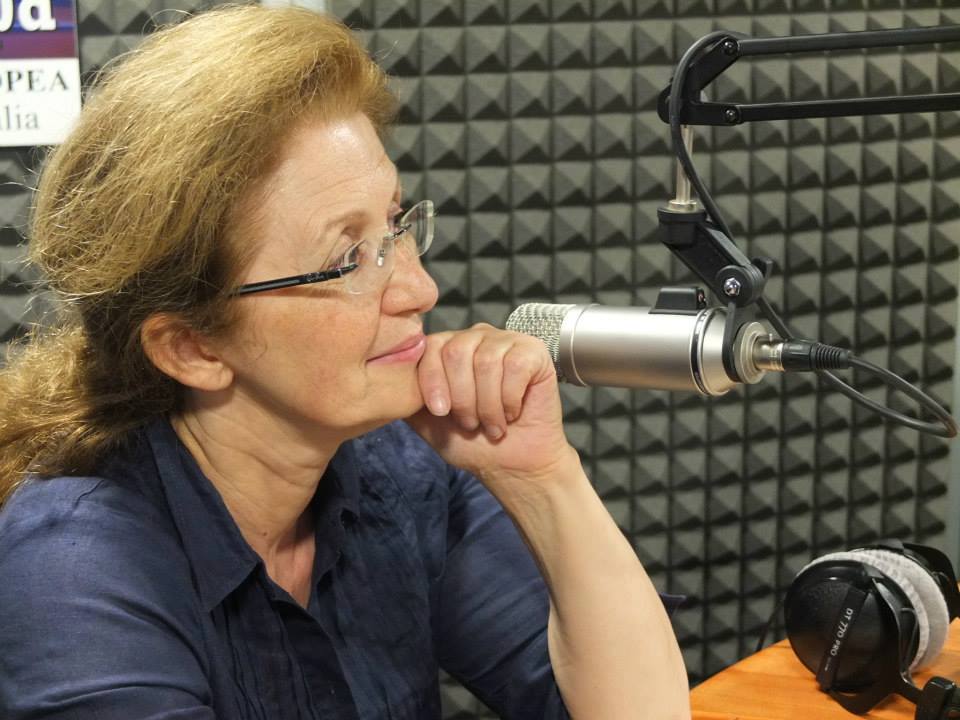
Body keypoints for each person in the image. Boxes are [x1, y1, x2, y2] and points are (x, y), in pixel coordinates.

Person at [0, 5, 689, 719]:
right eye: (345, 259)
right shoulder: (73, 569)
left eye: (395, 224)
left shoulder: (402, 470)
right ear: (193, 348)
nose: (420, 289)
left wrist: (543, 480)